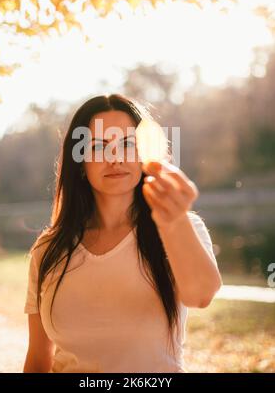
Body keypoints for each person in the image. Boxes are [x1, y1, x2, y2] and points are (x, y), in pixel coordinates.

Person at [23, 93, 222, 373]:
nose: (115, 157)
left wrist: (173, 220)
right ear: (80, 162)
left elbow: (201, 295)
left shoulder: (181, 227)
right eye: (98, 146)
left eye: (128, 144)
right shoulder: (48, 249)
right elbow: (37, 359)